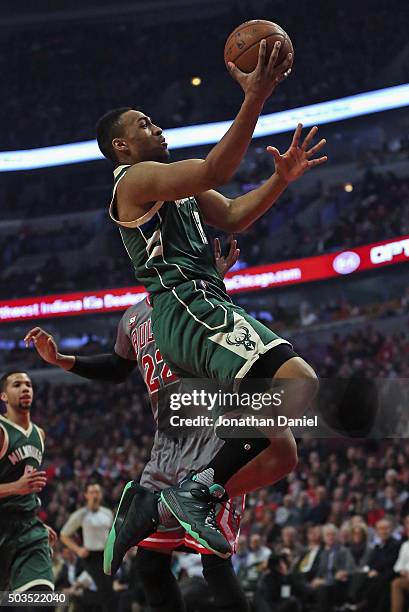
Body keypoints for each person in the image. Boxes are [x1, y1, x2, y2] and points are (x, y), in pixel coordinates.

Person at [94, 39, 327, 558]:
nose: (156, 126)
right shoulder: (135, 180)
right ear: (122, 148)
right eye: (143, 123)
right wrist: (256, 96)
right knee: (301, 384)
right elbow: (215, 171)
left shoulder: (175, 186)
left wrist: (280, 179)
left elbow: (233, 214)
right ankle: (195, 492)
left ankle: (155, 503)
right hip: (188, 309)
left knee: (279, 453)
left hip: (204, 305)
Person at [26, 242, 278, 612]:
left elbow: (225, 325)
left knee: (214, 559)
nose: (156, 256)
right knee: (150, 562)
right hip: (167, 443)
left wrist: (213, 281)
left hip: (214, 435)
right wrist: (63, 359)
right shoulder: (131, 317)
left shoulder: (197, 293)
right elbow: (116, 367)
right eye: (149, 252)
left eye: (163, 250)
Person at [0, 371, 56, 604]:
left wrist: (36, 521)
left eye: (28, 385)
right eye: (17, 385)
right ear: (3, 396)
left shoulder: (39, 434)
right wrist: (15, 487)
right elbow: (20, 486)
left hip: (27, 530)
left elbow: (27, 488)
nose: (25, 388)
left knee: (42, 601)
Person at [60, 482, 114, 612]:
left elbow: (113, 534)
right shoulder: (81, 514)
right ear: (86, 495)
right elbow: (64, 535)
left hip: (107, 555)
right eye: (92, 492)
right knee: (103, 591)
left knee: (108, 591)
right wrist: (78, 549)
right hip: (91, 556)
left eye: (97, 492)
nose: (95, 495)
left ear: (101, 495)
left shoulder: (107, 513)